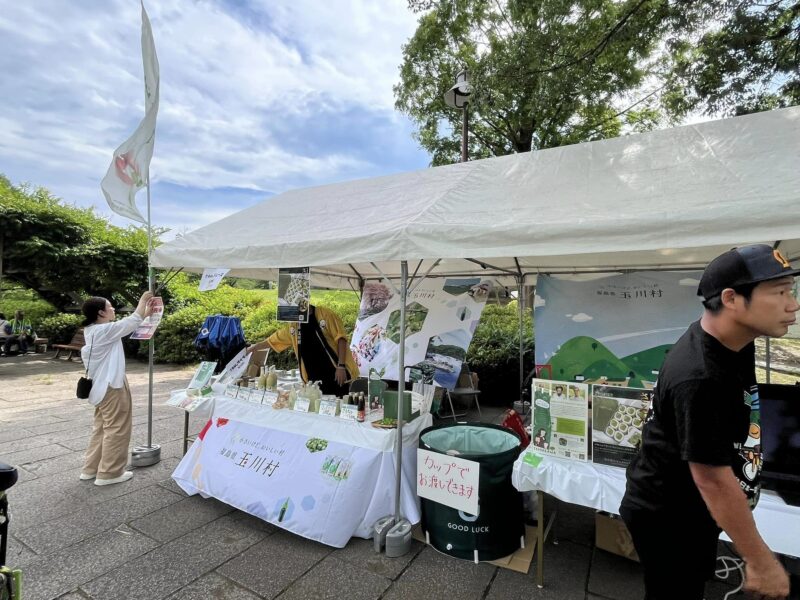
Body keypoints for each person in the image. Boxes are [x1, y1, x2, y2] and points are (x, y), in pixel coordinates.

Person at [620, 244, 799, 600]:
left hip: (692, 507)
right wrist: (760, 561)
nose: (792, 304)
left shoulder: (734, 339)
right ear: (731, 298)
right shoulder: (699, 377)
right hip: (667, 513)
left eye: (791, 291)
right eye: (779, 293)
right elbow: (713, 481)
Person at [79, 291, 154, 486]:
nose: (113, 309)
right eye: (110, 306)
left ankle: (91, 469)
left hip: (100, 388)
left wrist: (144, 314)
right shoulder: (103, 331)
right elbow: (129, 322)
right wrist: (143, 300)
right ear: (101, 313)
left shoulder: (94, 331)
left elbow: (129, 323)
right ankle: (110, 473)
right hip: (112, 387)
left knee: (101, 429)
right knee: (117, 429)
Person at [247, 304, 358, 396]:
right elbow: (274, 339)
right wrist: (254, 348)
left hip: (334, 372)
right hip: (311, 376)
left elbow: (341, 338)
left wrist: (341, 366)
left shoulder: (325, 314)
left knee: (339, 405)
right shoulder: (294, 325)